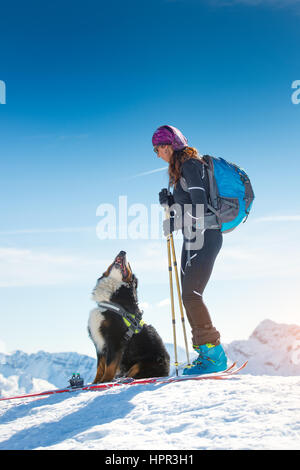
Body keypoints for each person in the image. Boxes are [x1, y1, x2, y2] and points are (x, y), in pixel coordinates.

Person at [152, 124, 228, 375]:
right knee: (188, 294)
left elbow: (199, 206)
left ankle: (214, 356)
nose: (157, 153)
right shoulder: (181, 171)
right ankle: (205, 354)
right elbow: (187, 206)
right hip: (194, 236)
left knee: (192, 294)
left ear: (169, 145)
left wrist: (174, 221)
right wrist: (171, 203)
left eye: (158, 148)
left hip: (206, 235)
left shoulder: (191, 166)